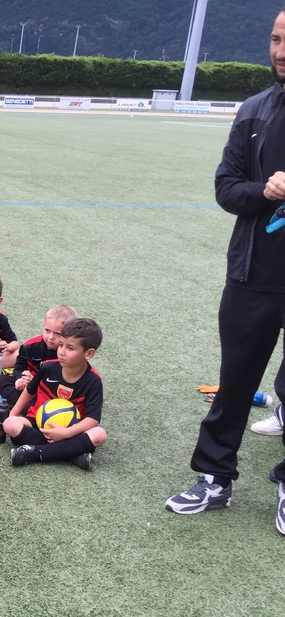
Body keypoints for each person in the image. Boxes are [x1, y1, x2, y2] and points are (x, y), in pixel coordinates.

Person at [167, 8, 285, 529]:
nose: (280, 51)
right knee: (235, 383)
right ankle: (214, 479)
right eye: (276, 39)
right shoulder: (255, 111)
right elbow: (226, 187)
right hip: (252, 274)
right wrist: (266, 191)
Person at [5, 318, 106, 470]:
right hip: (39, 422)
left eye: (70, 348)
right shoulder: (48, 367)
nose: (61, 352)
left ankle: (35, 453)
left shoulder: (94, 380)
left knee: (99, 435)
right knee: (10, 424)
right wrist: (12, 414)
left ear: (89, 353)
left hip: (73, 430)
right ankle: (71, 453)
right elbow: (30, 390)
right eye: (61, 345)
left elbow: (93, 419)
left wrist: (66, 433)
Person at [0, 304, 78, 407]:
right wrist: (20, 380)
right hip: (31, 391)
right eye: (47, 330)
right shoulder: (29, 347)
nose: (51, 337)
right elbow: (19, 367)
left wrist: (36, 381)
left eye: (58, 334)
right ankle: (35, 409)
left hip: (53, 394)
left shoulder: (71, 355)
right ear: (43, 324)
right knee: (0, 381)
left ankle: (28, 408)